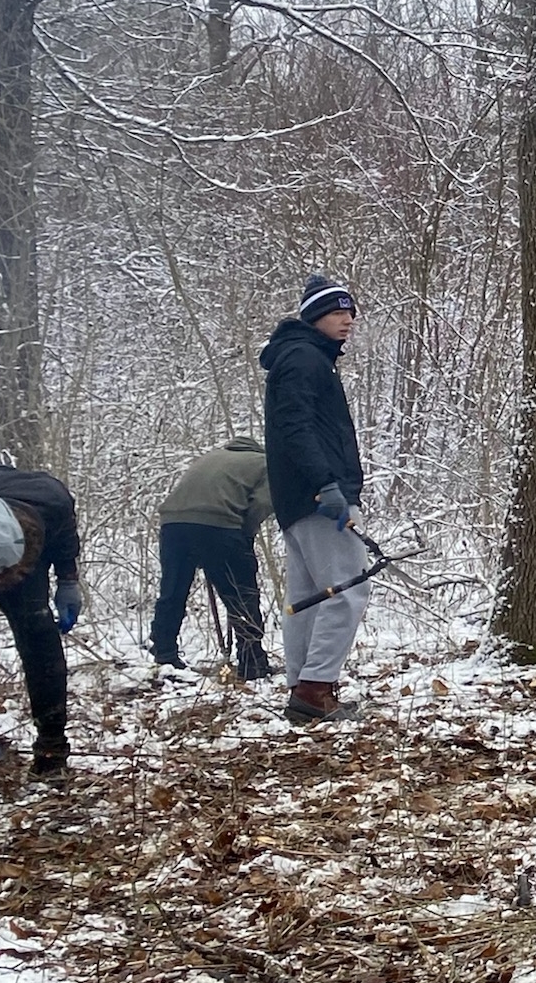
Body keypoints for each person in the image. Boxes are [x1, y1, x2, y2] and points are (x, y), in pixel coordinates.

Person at [262, 275, 372, 724]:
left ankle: (303, 689)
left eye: (350, 313)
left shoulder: (299, 358)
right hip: (318, 496)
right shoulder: (305, 359)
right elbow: (296, 427)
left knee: (308, 595)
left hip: (296, 498)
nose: (346, 320)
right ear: (313, 318)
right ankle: (315, 688)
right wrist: (327, 484)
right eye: (335, 312)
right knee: (349, 588)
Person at [0, 466, 83, 778]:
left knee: (38, 632)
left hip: (17, 523)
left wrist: (68, 579)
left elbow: (65, 532)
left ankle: (51, 748)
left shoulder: (49, 499)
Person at [151, 437, 275, 679]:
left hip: (172, 523)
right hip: (219, 525)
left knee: (173, 591)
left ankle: (164, 654)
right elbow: (262, 503)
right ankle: (252, 661)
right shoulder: (265, 463)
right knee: (241, 593)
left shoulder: (210, 457)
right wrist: (245, 534)